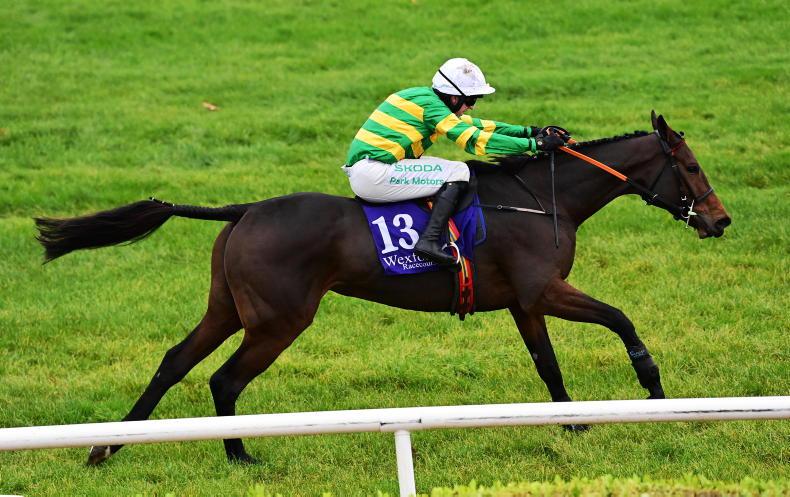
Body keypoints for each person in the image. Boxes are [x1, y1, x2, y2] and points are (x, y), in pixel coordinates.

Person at [342, 58, 565, 266]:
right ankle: (429, 241)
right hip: (375, 173)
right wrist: (536, 144)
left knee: (450, 168)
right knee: (459, 171)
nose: (472, 106)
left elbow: (479, 125)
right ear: (454, 97)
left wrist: (530, 131)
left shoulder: (424, 98)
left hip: (373, 169)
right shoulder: (431, 108)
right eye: (471, 100)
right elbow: (474, 139)